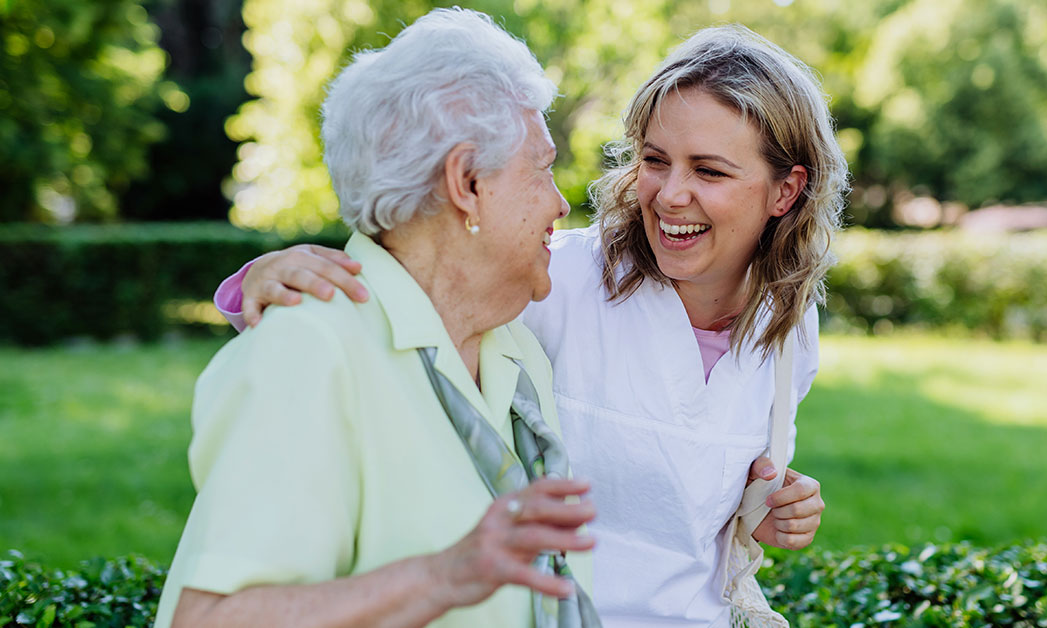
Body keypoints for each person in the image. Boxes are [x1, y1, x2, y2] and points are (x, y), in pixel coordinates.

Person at [217, 24, 844, 627]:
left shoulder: (790, 331)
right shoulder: (555, 279)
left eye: (709, 171)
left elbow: (687, 504)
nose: (670, 194)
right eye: (655, 160)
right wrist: (270, 276)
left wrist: (758, 514)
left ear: (785, 191)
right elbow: (402, 300)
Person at [155, 9, 600, 628]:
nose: (559, 201)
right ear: (466, 181)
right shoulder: (309, 349)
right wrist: (449, 575)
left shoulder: (513, 350)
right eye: (542, 167)